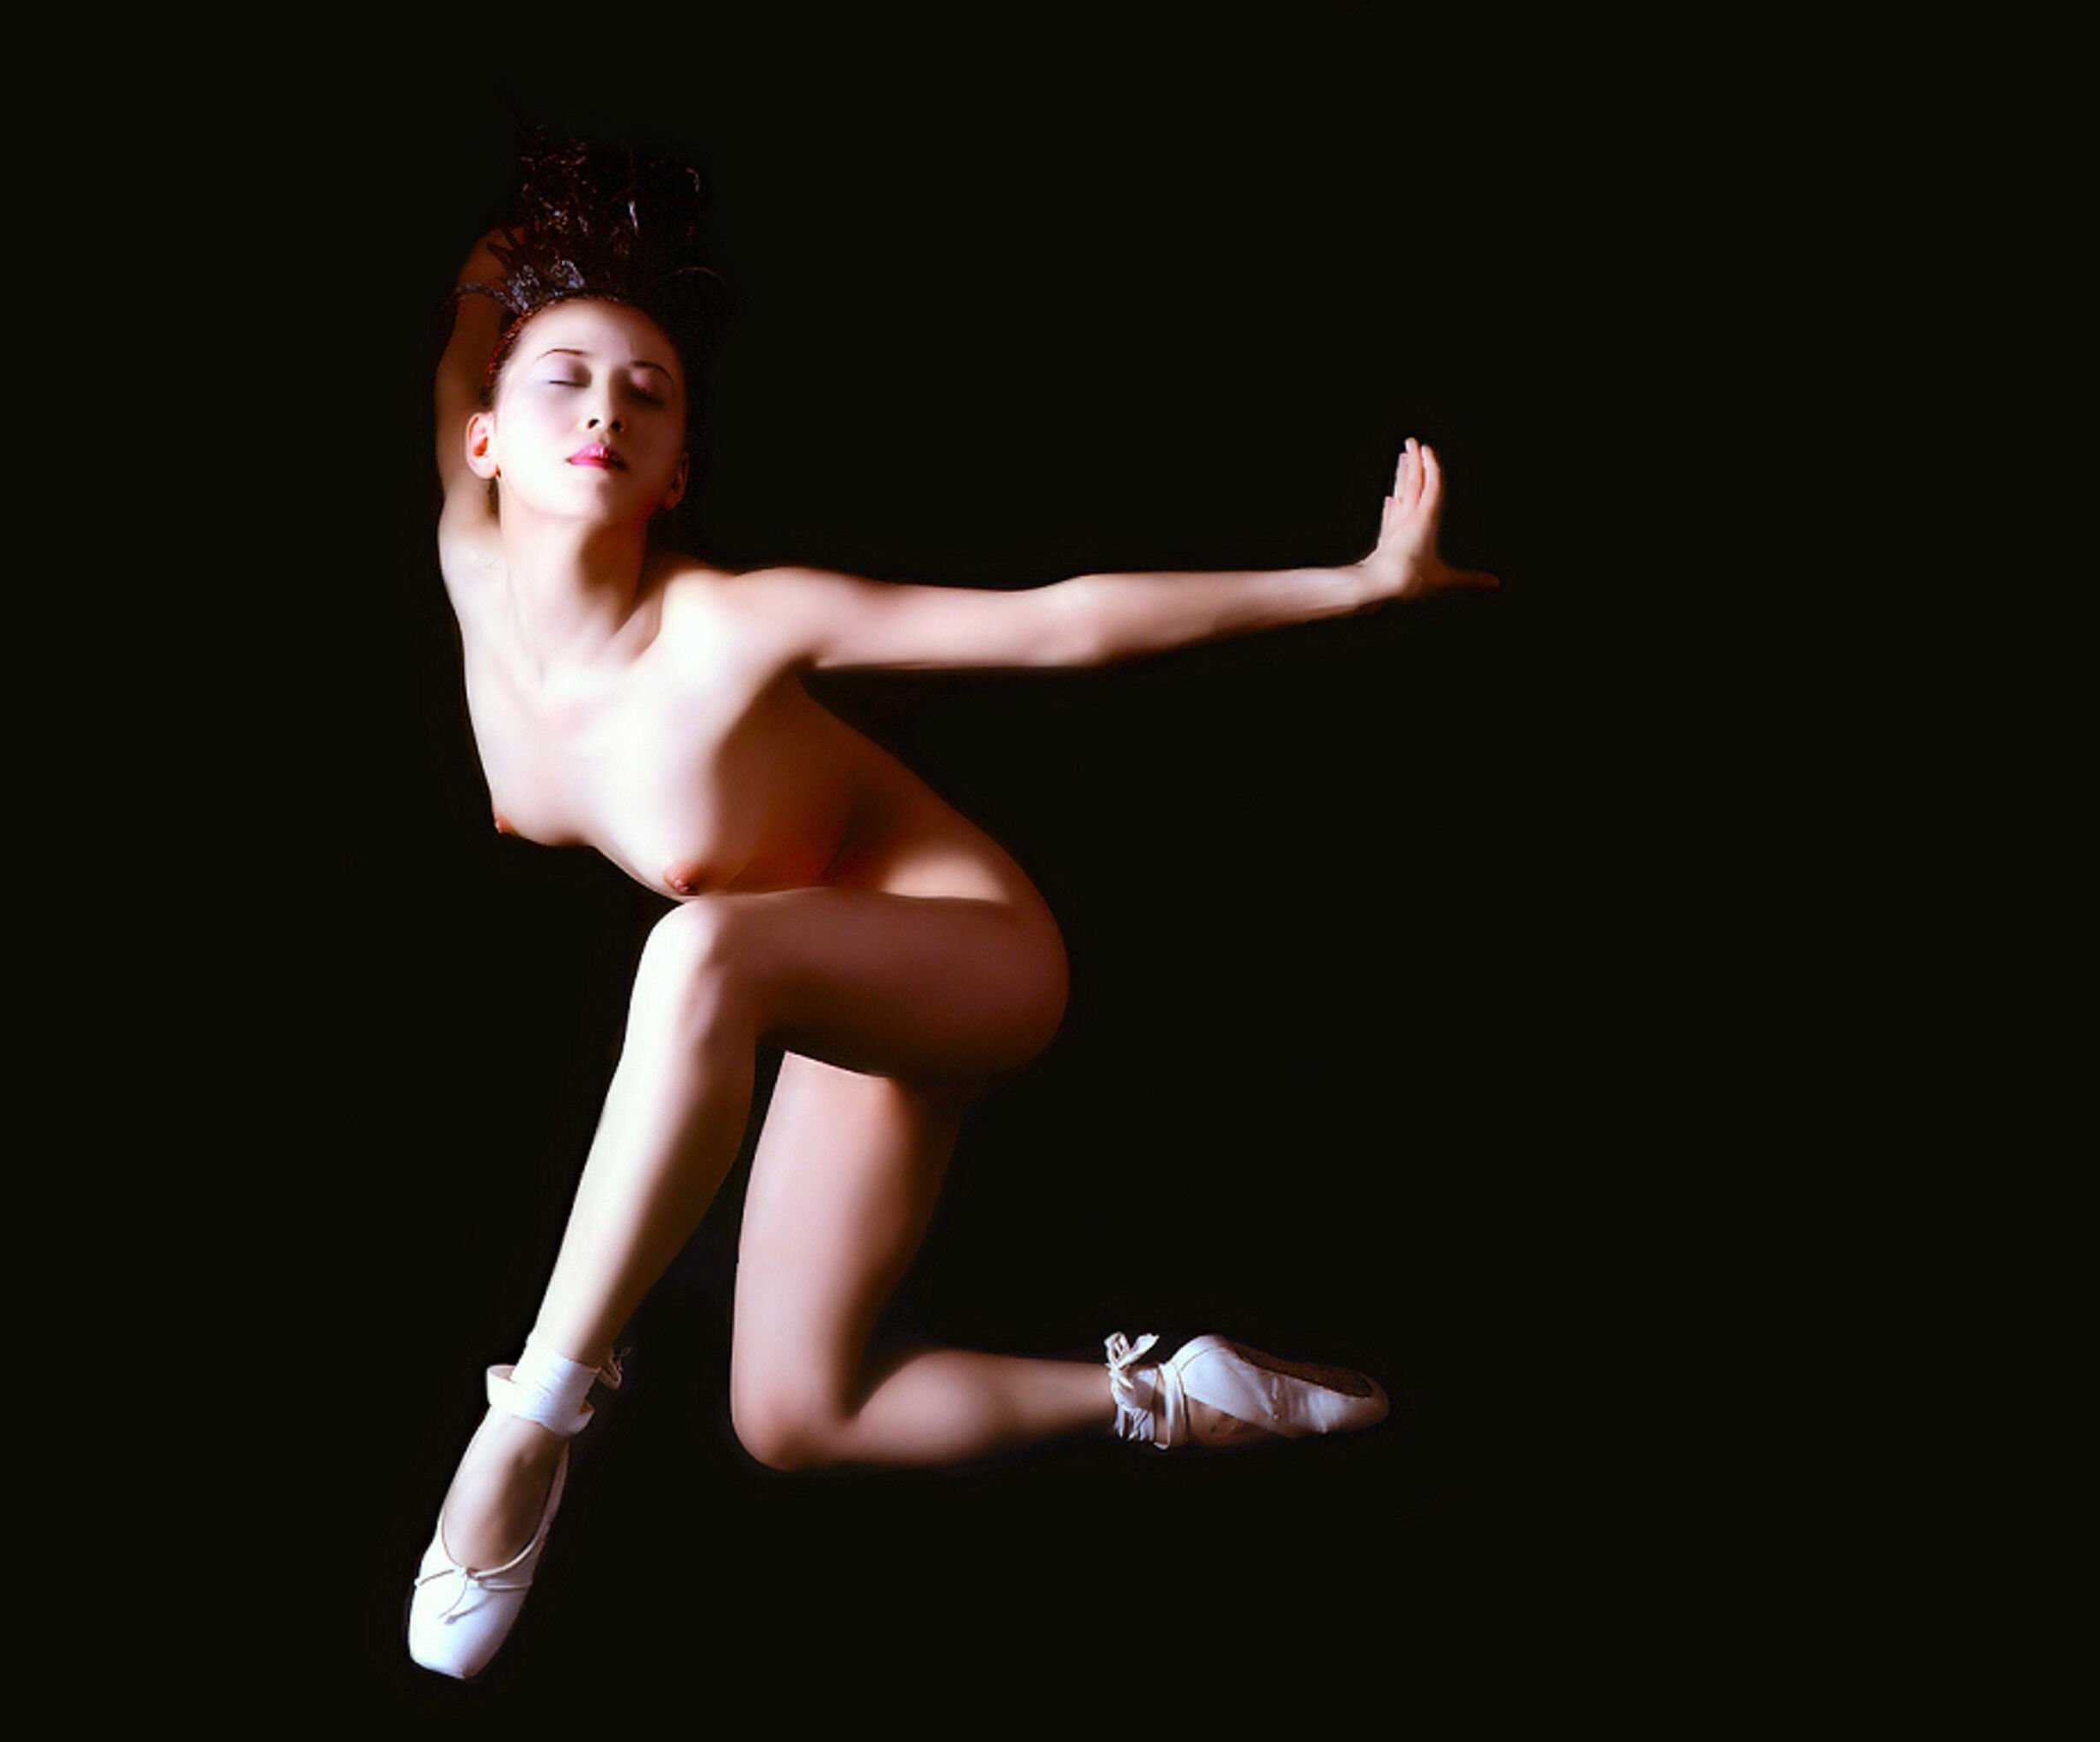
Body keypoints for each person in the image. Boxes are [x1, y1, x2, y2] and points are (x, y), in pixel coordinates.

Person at [408, 132, 1500, 1680]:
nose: (605, 410)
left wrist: (1359, 582)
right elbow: (467, 334)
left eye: (648, 395)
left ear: (679, 471)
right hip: (815, 988)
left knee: (698, 950)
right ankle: (1172, 1395)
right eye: (566, 382)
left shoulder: (732, 627)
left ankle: (530, 1421)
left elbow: (1058, 626)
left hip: (971, 951)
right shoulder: (468, 560)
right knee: (795, 1414)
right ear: (484, 441)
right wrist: (508, 242)